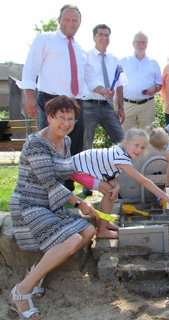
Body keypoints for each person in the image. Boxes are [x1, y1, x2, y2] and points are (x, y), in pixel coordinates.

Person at [8, 96, 97, 319]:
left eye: (71, 119)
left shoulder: (65, 141)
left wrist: (100, 182)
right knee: (73, 239)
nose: (66, 123)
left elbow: (66, 173)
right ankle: (21, 290)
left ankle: (36, 273)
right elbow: (49, 182)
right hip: (29, 204)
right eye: (61, 118)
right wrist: (79, 202)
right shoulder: (36, 143)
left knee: (88, 231)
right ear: (49, 117)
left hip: (51, 203)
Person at [19, 4, 87, 190]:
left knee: (73, 148)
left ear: (80, 23)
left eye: (75, 20)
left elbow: (85, 78)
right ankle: (46, 189)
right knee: (48, 146)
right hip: (51, 100)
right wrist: (30, 96)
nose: (70, 23)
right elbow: (31, 68)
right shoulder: (45, 39)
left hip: (75, 104)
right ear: (59, 20)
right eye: (66, 19)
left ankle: (67, 190)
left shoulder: (80, 49)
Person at [71, 127, 169, 239]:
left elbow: (109, 171)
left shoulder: (120, 151)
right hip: (78, 170)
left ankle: (104, 222)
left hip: (82, 168)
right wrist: (165, 196)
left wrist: (116, 185)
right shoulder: (121, 157)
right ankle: (102, 231)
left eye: (142, 148)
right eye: (136, 145)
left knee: (112, 191)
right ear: (126, 143)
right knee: (109, 192)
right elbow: (143, 180)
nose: (139, 150)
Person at [81, 23, 126, 195]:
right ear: (94, 37)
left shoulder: (114, 59)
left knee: (121, 141)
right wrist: (102, 90)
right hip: (89, 105)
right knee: (87, 146)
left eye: (106, 35)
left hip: (107, 107)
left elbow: (120, 84)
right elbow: (90, 80)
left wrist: (120, 106)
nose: (104, 38)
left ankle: (123, 181)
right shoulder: (86, 57)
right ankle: (87, 184)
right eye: (100, 34)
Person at [120, 31, 162, 133]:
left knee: (148, 137)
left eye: (144, 42)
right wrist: (118, 105)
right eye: (139, 42)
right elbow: (118, 84)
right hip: (127, 104)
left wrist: (154, 89)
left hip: (147, 105)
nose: (141, 44)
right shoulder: (123, 61)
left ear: (147, 44)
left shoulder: (153, 63)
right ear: (133, 44)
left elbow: (159, 83)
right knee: (127, 136)